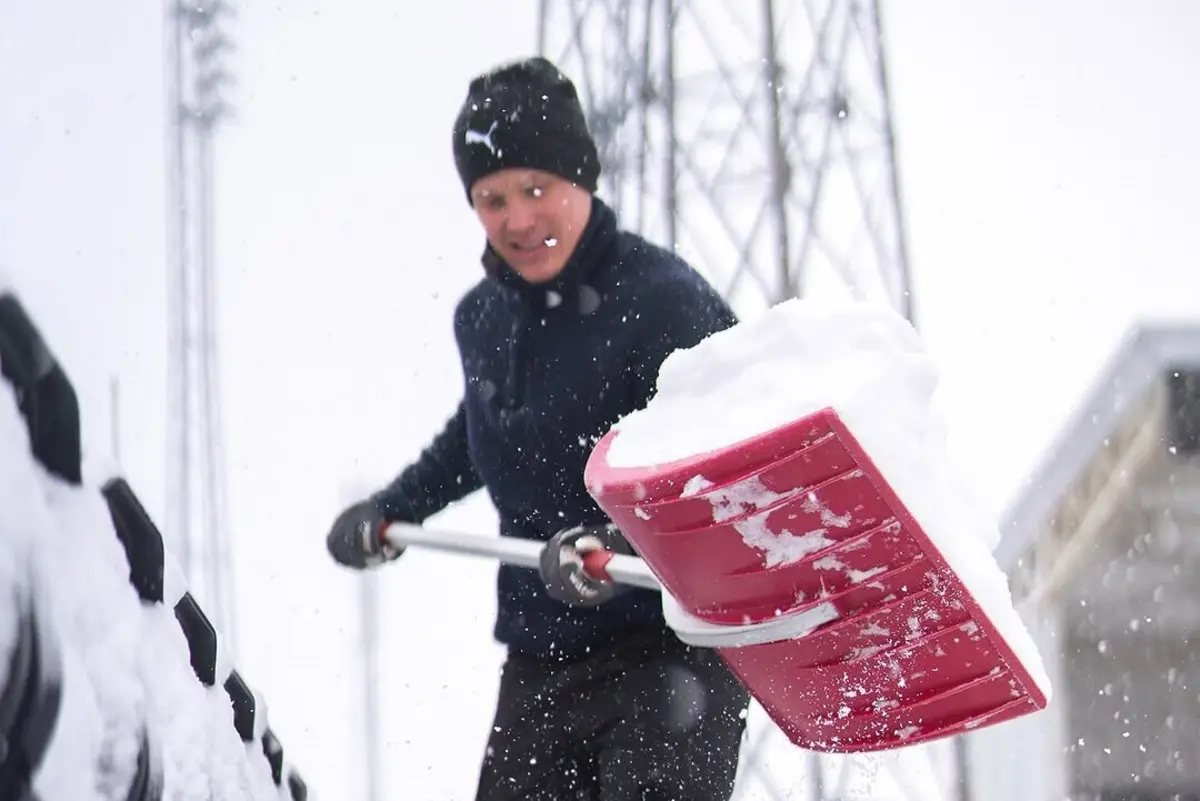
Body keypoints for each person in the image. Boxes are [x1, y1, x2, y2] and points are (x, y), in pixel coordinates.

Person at [325, 55, 751, 801]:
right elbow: (481, 431)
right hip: (542, 655)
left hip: (668, 654)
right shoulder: (483, 318)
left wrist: (614, 549)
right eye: (492, 199)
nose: (517, 220)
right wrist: (394, 508)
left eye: (535, 189)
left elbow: (732, 474)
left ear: (580, 177)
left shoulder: (665, 304)